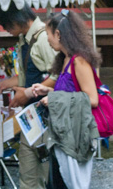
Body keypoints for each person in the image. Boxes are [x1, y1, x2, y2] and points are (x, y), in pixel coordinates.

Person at [27, 10, 100, 189]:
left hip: (73, 135)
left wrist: (54, 99)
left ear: (58, 34)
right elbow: (69, 91)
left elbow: (92, 99)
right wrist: (49, 90)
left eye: (48, 35)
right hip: (63, 132)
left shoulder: (79, 61)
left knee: (66, 183)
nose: (48, 40)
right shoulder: (66, 59)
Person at [0, 3, 58, 189]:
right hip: (32, 116)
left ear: (15, 20)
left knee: (44, 173)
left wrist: (28, 92)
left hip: (46, 115)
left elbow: (58, 76)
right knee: (28, 171)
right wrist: (7, 84)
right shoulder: (27, 39)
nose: (6, 31)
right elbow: (28, 74)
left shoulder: (44, 38)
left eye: (6, 26)